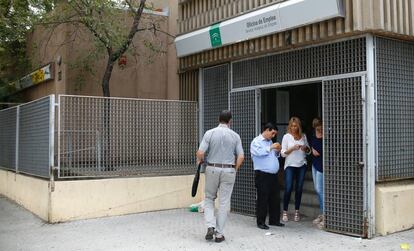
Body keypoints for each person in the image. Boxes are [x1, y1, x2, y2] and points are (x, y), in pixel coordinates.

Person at [196, 110, 244, 243]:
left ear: (219, 119)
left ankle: (210, 225)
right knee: (223, 202)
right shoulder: (235, 136)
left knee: (209, 198)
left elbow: (200, 153)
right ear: (230, 121)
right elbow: (241, 156)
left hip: (212, 168)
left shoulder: (209, 133)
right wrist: (235, 169)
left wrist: (202, 161)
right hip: (228, 170)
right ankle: (219, 234)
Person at [250, 122, 285, 230]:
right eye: (273, 133)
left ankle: (274, 220)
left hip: (273, 175)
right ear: (267, 130)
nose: (273, 136)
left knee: (275, 198)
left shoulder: (270, 142)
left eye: (275, 134)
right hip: (262, 174)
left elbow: (274, 155)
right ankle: (260, 222)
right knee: (263, 198)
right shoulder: (256, 141)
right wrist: (270, 148)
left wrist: (278, 150)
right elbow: (258, 153)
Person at [281, 117, 311, 222]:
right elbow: (283, 154)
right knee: (288, 188)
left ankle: (296, 212)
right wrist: (293, 148)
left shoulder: (303, 136)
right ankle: (285, 211)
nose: (294, 128)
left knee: (299, 188)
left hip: (302, 164)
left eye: (296, 126)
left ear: (299, 126)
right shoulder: (286, 137)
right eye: (292, 126)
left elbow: (308, 151)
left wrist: (305, 148)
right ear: (290, 126)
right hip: (289, 165)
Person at [310, 118, 324, 228]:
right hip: (314, 164)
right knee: (317, 189)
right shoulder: (313, 134)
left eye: (319, 126)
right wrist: (311, 150)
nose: (318, 129)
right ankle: (322, 214)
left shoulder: (326, 135)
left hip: (322, 166)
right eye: (316, 127)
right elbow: (311, 146)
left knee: (320, 190)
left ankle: (325, 215)